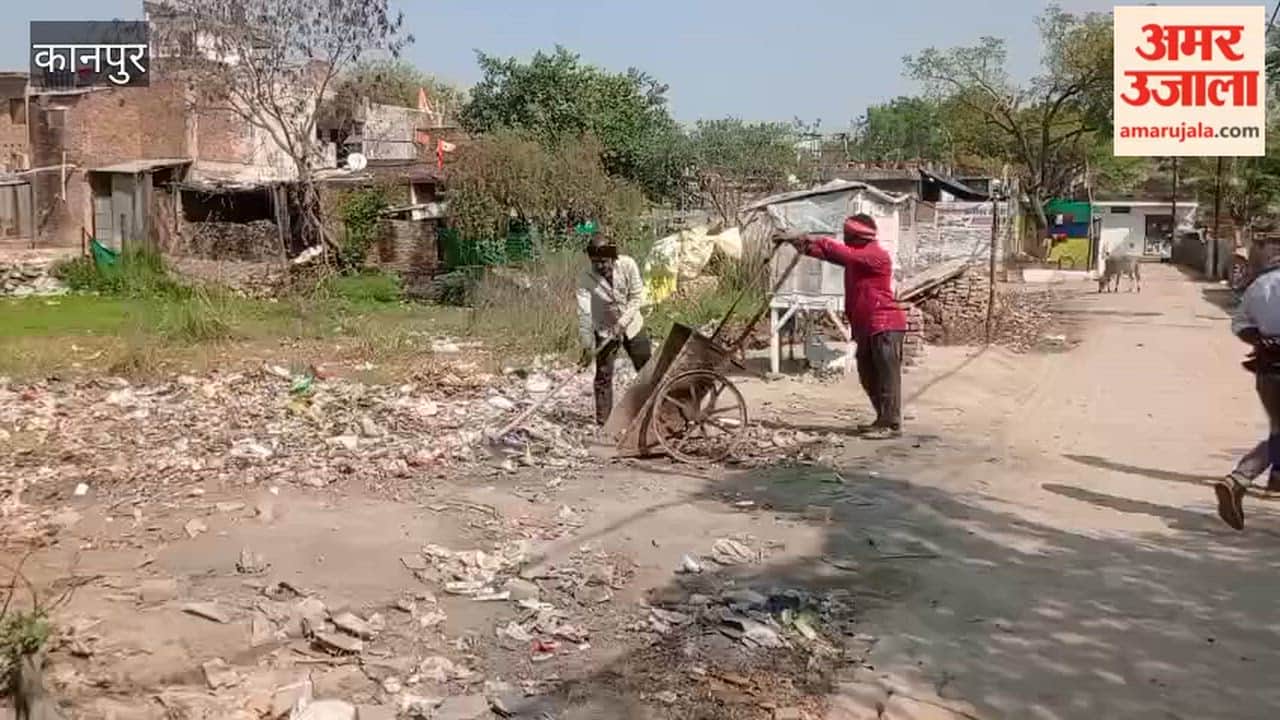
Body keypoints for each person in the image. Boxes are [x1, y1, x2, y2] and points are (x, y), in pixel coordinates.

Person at [776, 214, 908, 439]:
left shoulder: (875, 256)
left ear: (858, 236)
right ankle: (881, 419)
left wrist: (807, 237)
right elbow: (825, 253)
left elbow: (839, 252)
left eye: (848, 235)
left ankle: (891, 424)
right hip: (867, 325)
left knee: (886, 375)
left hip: (885, 323)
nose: (845, 239)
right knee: (868, 375)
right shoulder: (857, 257)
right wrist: (797, 242)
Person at [1215, 249, 1280, 530]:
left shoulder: (1261, 285)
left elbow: (1239, 323)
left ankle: (1244, 481)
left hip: (1268, 373)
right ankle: (1240, 480)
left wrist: (1263, 341)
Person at [576, 231, 651, 426]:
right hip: (604, 329)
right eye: (596, 262)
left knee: (647, 370)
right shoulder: (585, 279)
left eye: (604, 261)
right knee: (603, 375)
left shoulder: (628, 265)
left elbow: (637, 298)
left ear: (613, 257)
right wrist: (587, 346)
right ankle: (604, 424)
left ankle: (653, 412)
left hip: (633, 325)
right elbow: (584, 315)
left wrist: (622, 323)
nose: (601, 266)